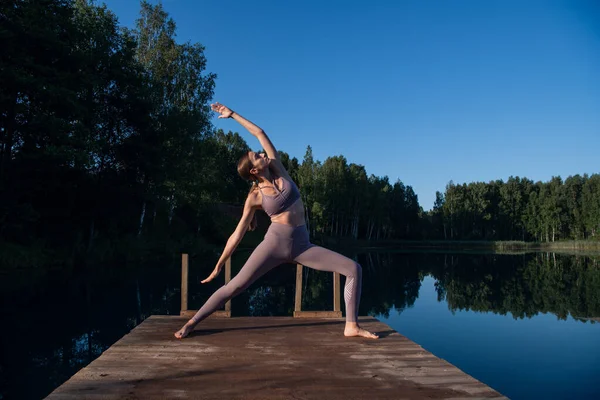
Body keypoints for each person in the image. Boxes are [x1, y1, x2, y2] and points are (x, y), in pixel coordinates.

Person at [174, 102, 378, 339]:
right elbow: (238, 232)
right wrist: (219, 265)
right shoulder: (254, 197)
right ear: (253, 170)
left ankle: (351, 325)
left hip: (302, 245)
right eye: (256, 156)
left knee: (354, 269)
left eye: (259, 153)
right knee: (236, 286)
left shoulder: (278, 168)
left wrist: (232, 115)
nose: (261, 154)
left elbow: (260, 132)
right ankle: (192, 322)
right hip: (274, 244)